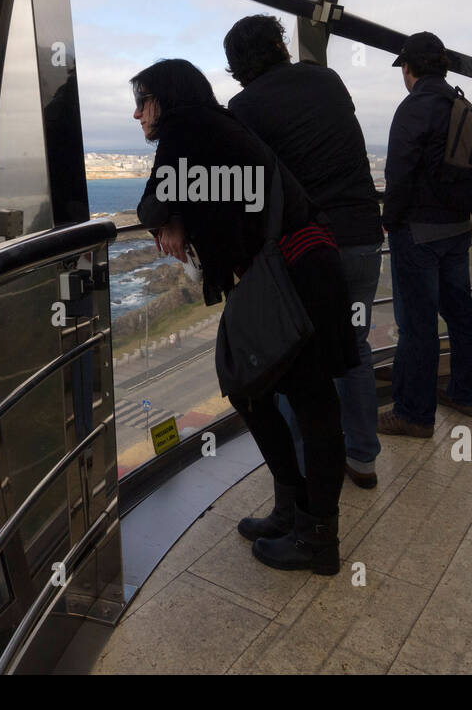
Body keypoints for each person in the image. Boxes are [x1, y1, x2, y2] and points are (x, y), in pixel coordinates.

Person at [131, 59, 357, 574]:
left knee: (301, 399)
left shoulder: (186, 129)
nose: (137, 114)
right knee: (262, 391)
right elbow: (200, 192)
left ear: (166, 99)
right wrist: (182, 214)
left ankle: (317, 536)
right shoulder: (217, 126)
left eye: (142, 101)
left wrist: (170, 215)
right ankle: (295, 510)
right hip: (300, 265)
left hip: (289, 275)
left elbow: (151, 205)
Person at [223, 15, 385, 488]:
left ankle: (306, 470)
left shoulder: (245, 107)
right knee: (353, 347)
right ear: (279, 44)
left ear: (236, 65)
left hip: (308, 248)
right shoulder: (327, 79)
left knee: (294, 358)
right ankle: (363, 458)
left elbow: (249, 188)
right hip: (362, 236)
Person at [379, 32, 472, 438]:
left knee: (418, 326)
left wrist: (389, 219)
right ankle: (465, 393)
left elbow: (399, 173)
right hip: (459, 228)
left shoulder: (413, 108)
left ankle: (414, 414)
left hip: (419, 233)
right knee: (461, 312)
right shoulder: (459, 103)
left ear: (409, 69)